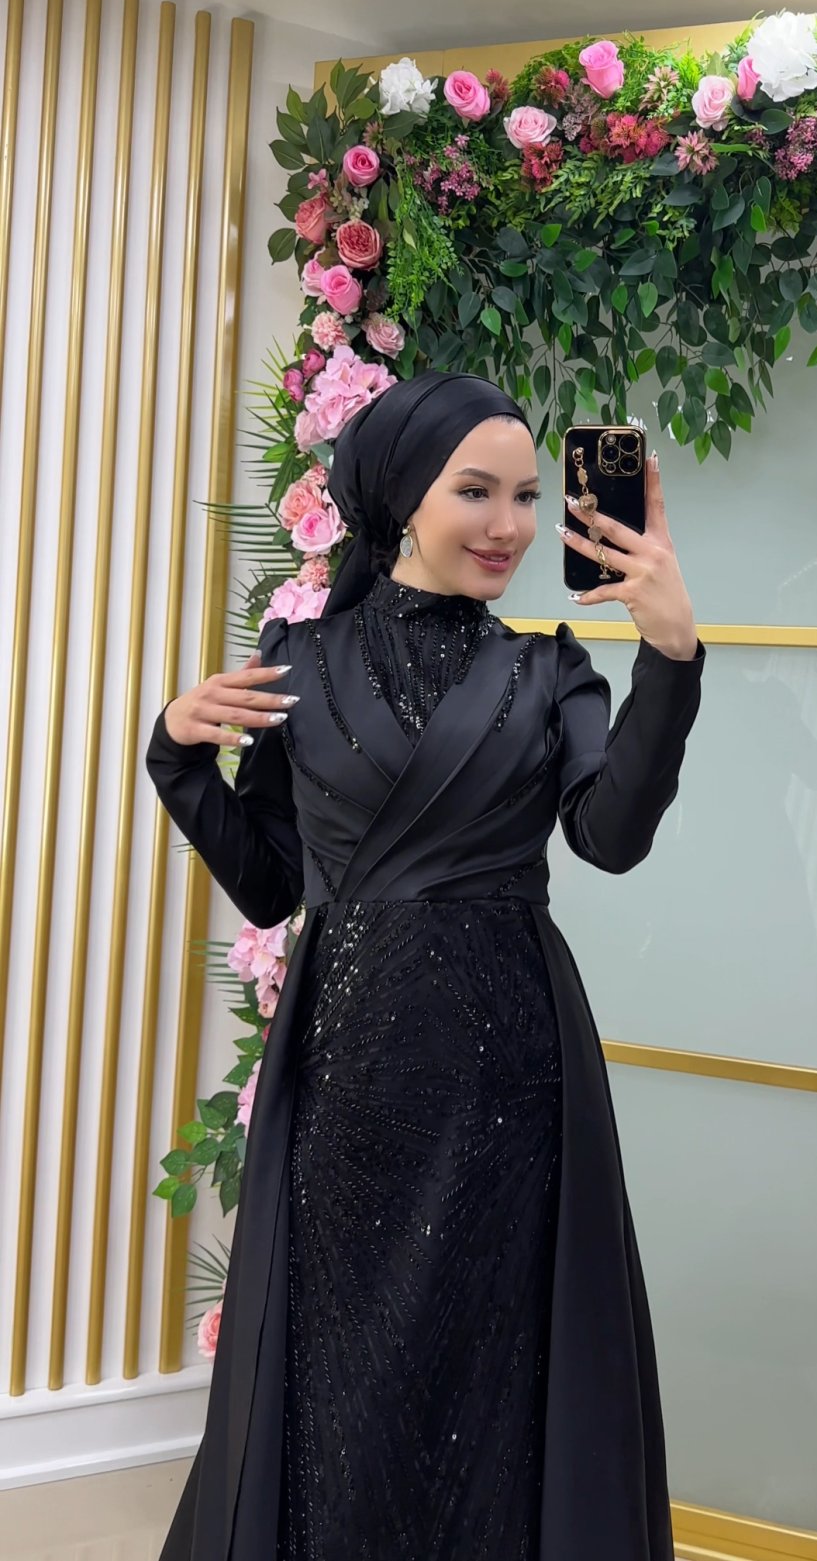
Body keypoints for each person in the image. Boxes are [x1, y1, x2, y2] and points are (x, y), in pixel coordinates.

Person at [145, 369, 705, 1561]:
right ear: (402, 496)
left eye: (527, 496)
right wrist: (177, 758)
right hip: (347, 1074)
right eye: (476, 491)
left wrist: (670, 657)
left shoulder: (552, 669)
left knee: (495, 1367)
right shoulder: (298, 658)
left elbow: (610, 837)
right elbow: (273, 882)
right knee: (343, 1368)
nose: (510, 524)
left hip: (512, 1077)